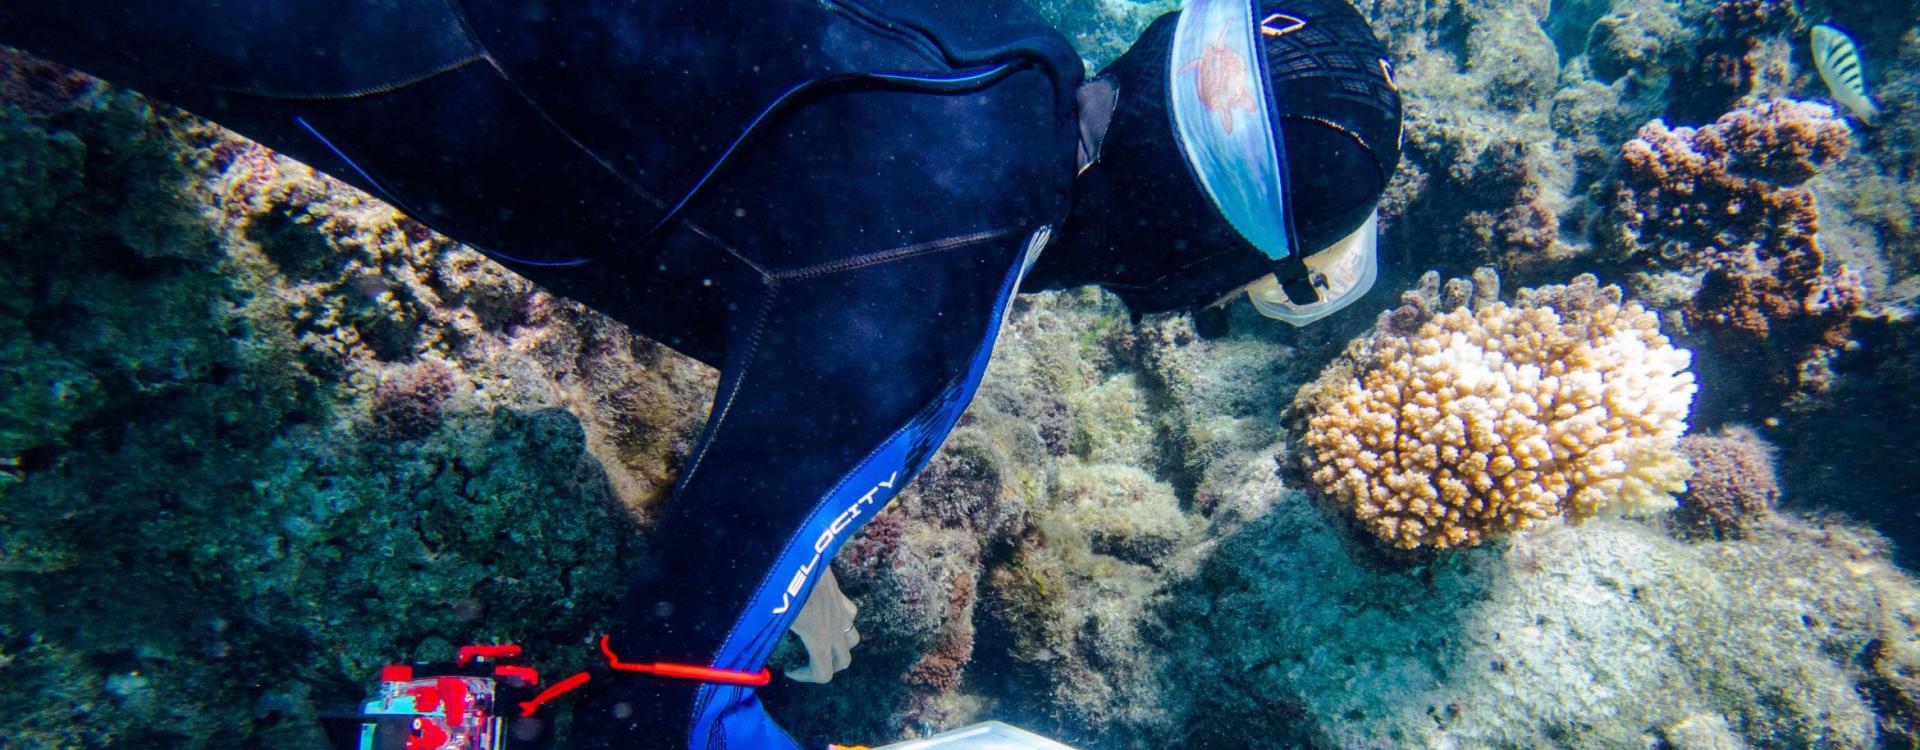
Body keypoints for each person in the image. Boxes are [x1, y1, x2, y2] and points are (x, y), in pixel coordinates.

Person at [0, 0, 1400, 746]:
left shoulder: (1013, 39)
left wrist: (781, 531)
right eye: (1269, 274)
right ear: (1188, 255)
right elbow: (652, 708)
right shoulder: (929, 307)